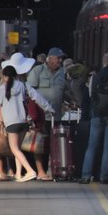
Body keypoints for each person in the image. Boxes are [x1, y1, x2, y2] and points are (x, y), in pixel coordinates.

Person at [0, 53, 55, 182]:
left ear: (5, 76)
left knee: (15, 149)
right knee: (18, 148)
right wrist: (50, 109)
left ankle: (30, 171)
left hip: (11, 123)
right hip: (23, 122)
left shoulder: (2, 89)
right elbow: (38, 98)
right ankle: (18, 174)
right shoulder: (23, 85)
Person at [79, 53, 108, 185]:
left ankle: (86, 175)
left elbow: (90, 95)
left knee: (92, 146)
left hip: (96, 115)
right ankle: (104, 176)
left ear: (104, 62)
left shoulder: (95, 77)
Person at [27, 47, 68, 180]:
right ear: (50, 58)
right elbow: (29, 91)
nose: (60, 61)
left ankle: (52, 171)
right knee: (39, 144)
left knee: (54, 145)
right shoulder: (38, 71)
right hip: (41, 117)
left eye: (61, 58)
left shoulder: (62, 73)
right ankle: (39, 171)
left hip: (56, 117)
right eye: (58, 58)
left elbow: (66, 92)